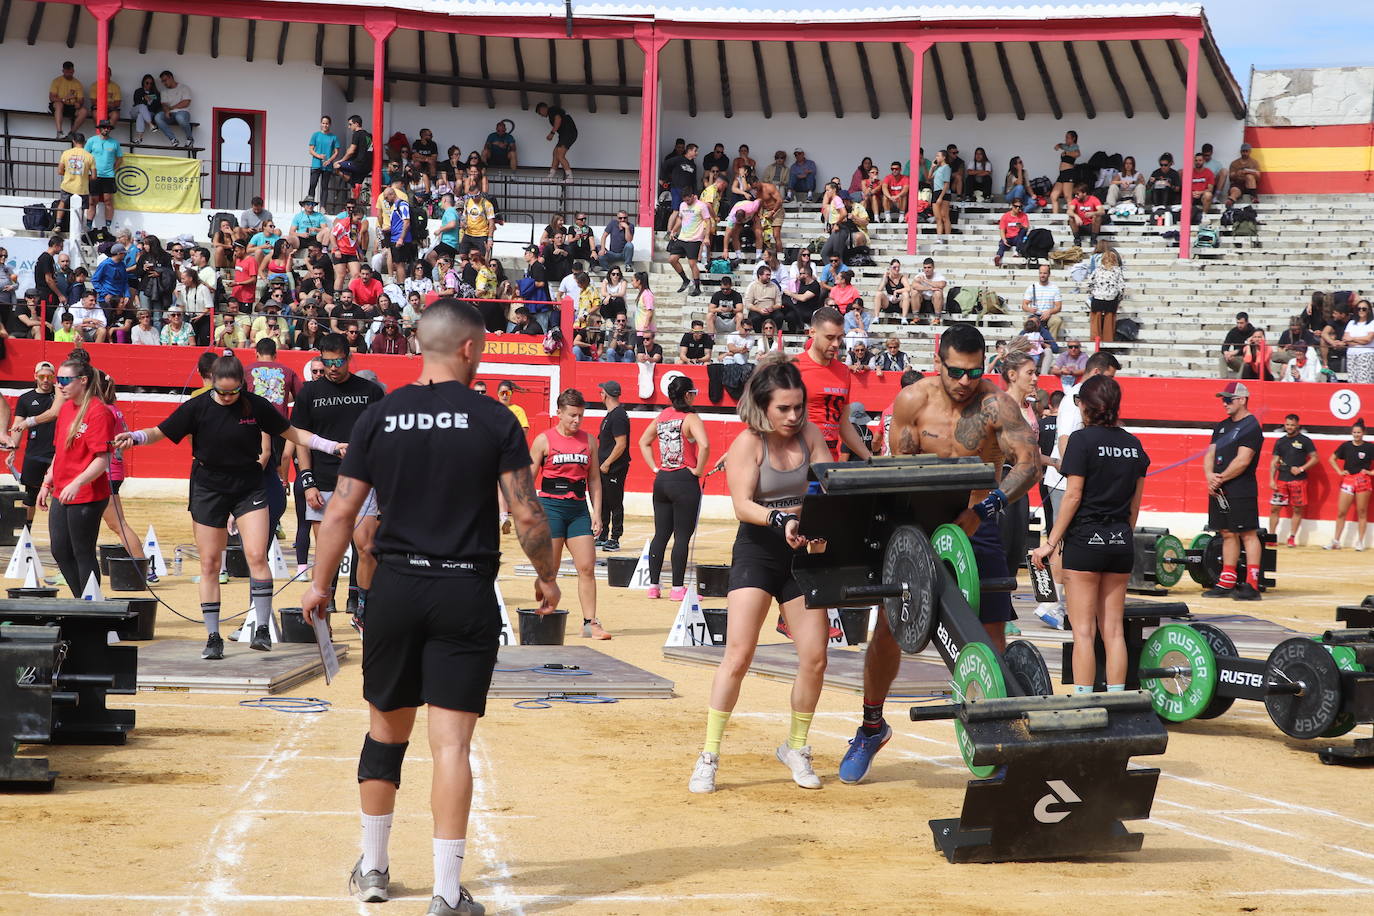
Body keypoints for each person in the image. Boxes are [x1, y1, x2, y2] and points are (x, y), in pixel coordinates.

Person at [298, 299, 561, 915]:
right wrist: (547, 577)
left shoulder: (379, 416)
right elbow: (526, 512)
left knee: (384, 735)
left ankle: (376, 869)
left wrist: (319, 584)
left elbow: (339, 511)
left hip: (394, 589)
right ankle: (445, 893)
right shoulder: (495, 419)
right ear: (469, 349)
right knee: (451, 748)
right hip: (464, 591)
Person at [838, 324, 1040, 784]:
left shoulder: (996, 404)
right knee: (889, 628)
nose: (964, 381)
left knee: (989, 633)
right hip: (918, 523)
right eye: (955, 371)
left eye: (972, 371)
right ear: (938, 359)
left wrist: (985, 507)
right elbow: (899, 475)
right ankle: (872, 727)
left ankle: (996, 734)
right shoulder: (915, 400)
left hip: (977, 521)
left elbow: (1028, 463)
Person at [118, 356, 334, 657]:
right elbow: (161, 431)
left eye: (233, 393)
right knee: (209, 563)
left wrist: (330, 445)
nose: (227, 398)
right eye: (222, 392)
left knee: (257, 555)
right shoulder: (198, 406)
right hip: (209, 488)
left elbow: (293, 433)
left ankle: (261, 627)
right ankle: (212, 636)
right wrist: (135, 437)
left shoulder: (255, 405)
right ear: (212, 384)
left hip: (248, 485)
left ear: (242, 387)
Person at [689, 357, 835, 794]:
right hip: (759, 551)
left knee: (815, 656)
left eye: (798, 408)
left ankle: (796, 747)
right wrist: (783, 522)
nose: (793, 417)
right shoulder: (748, 444)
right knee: (738, 654)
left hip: (802, 553)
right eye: (783, 409)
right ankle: (709, 755)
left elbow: (831, 487)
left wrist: (824, 529)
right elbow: (743, 505)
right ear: (763, 408)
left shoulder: (810, 436)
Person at [1030, 375, 1148, 694]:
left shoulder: (1082, 441)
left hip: (1085, 542)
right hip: (1121, 543)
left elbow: (1073, 495)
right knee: (1113, 631)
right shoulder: (1134, 445)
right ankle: (1117, 699)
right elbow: (1134, 508)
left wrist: (1050, 544)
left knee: (1083, 632)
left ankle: (1082, 702)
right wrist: (1121, 534)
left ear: (1087, 407)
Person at [292, 334, 384, 620]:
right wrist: (307, 482)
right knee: (326, 556)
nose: (333, 368)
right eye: (327, 362)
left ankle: (364, 610)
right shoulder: (309, 393)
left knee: (368, 548)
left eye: (338, 362)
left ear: (349, 357)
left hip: (362, 482)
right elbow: (300, 440)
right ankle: (324, 621)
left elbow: (383, 438)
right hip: (323, 483)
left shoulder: (371, 391)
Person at [529, 390, 611, 640]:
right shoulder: (543, 440)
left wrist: (597, 512)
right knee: (550, 571)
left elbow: (594, 479)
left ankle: (590, 623)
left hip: (577, 511)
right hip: (550, 509)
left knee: (586, 566)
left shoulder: (589, 441)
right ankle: (543, 601)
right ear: (560, 413)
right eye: (572, 415)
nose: (577, 420)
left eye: (581, 416)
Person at [37, 358, 112, 597]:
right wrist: (47, 482)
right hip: (62, 490)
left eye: (65, 380)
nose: (59, 385)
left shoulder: (98, 411)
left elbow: (103, 459)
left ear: (83, 381)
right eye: (59, 379)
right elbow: (60, 451)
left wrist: (78, 481)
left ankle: (91, 604)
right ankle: (83, 600)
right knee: (59, 550)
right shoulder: (67, 408)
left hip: (87, 494)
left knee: (83, 551)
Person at [638, 376, 710, 600]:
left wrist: (654, 467)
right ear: (687, 395)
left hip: (662, 480)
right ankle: (677, 588)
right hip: (684, 480)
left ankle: (654, 586)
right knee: (681, 537)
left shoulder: (662, 417)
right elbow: (705, 445)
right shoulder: (690, 418)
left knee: (661, 534)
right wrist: (698, 470)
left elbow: (643, 441)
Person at [1201, 381, 1264, 600]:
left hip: (1240, 487)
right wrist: (1210, 476)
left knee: (1247, 533)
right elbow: (1210, 453)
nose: (1224, 403)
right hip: (1220, 488)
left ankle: (1252, 584)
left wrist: (1219, 479)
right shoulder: (1221, 426)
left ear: (1242, 399)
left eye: (1228, 399)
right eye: (1223, 399)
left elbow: (1243, 460)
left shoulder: (1251, 426)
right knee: (1226, 532)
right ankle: (1227, 581)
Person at [794, 307, 871, 461]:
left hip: (829, 457)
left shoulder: (843, 371)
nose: (836, 344)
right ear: (812, 333)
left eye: (839, 337)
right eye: (829, 337)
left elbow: (843, 423)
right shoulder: (793, 367)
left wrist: (869, 458)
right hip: (798, 458)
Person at [11, 361, 57, 524]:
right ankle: (26, 533)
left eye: (49, 376)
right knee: (30, 494)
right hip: (35, 453)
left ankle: (62, 535)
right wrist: (13, 449)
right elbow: (18, 425)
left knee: (60, 495)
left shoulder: (61, 397)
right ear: (35, 376)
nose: (45, 380)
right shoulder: (26, 399)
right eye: (42, 376)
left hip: (57, 454)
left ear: (54, 377)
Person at [1267, 413, 1318, 547]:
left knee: (1297, 509)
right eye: (1287, 424)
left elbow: (1315, 458)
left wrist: (1301, 468)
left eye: (1292, 425)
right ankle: (1271, 537)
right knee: (1274, 508)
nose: (1289, 427)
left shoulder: (1305, 440)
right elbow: (1274, 462)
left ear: (1298, 425)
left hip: (1298, 480)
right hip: (1281, 480)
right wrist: (1271, 479)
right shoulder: (1280, 441)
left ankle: (1292, 537)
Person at [1326, 420, 1372, 551]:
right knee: (1341, 512)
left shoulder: (1370, 447)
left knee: (1362, 512)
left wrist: (1370, 472)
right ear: (1352, 433)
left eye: (1359, 432)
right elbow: (1331, 458)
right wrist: (1339, 471)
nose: (1356, 435)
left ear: (1363, 433)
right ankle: (1336, 541)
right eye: (1354, 432)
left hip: (1363, 480)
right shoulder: (1346, 446)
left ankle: (1360, 542)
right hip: (1348, 480)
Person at [595, 381, 629, 553]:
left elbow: (621, 444)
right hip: (606, 466)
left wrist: (607, 463)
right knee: (605, 501)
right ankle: (603, 534)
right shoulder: (612, 414)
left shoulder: (618, 415)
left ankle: (614, 538)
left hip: (614, 467)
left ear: (605, 394)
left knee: (615, 501)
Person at [84, 119, 122, 232]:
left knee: (108, 200)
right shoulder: (91, 140)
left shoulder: (115, 142)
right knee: (92, 201)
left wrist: (113, 169)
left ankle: (108, 226)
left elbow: (120, 158)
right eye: (104, 127)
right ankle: (89, 224)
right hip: (94, 175)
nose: (106, 129)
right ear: (100, 128)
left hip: (109, 176)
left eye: (108, 127)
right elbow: (85, 156)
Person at [56, 132, 95, 233]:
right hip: (82, 188)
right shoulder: (90, 156)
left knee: (62, 203)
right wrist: (85, 177)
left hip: (67, 185)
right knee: (81, 209)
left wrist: (69, 174)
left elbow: (60, 171)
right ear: (84, 142)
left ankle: (58, 224)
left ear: (73, 141)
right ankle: (79, 228)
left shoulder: (66, 153)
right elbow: (94, 176)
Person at [1086, 247, 1125, 344]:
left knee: (1096, 321)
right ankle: (1108, 342)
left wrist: (1092, 294)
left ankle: (1095, 341)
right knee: (1109, 321)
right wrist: (1119, 299)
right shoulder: (1117, 271)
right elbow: (1121, 287)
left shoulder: (1097, 270)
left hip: (1098, 298)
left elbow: (1090, 283)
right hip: (1111, 299)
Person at [1022, 263, 1064, 347]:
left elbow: (1058, 307)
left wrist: (1049, 312)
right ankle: (1031, 345)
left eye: (1045, 273)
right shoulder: (1032, 287)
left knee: (1057, 320)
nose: (1042, 275)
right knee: (1030, 322)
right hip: (1035, 315)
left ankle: (1051, 344)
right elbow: (1024, 305)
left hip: (1048, 315)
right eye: (1041, 273)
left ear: (1049, 274)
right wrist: (1030, 309)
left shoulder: (1054, 288)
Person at [535, 100, 577, 178]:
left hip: (568, 133)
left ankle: (569, 177)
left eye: (539, 113)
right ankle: (550, 176)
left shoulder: (552, 110)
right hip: (564, 134)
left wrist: (552, 133)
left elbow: (558, 119)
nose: (541, 115)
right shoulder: (552, 112)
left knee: (560, 155)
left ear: (542, 109)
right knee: (555, 153)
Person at [154, 70, 194, 147]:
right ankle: (173, 139)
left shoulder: (184, 87)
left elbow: (186, 103)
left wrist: (171, 108)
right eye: (162, 81)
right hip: (170, 115)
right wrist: (166, 111)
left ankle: (190, 138)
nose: (164, 83)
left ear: (171, 77)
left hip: (183, 113)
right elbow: (164, 104)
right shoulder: (164, 92)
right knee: (158, 117)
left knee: (179, 117)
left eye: (165, 80)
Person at [49, 61, 89, 137]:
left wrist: (79, 103)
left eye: (70, 72)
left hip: (71, 107)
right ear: (63, 71)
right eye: (66, 72)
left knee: (84, 111)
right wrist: (64, 99)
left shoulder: (77, 83)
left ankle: (71, 133)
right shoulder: (57, 81)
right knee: (59, 104)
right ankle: (59, 132)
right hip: (59, 106)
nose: (68, 74)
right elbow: (52, 98)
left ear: (73, 71)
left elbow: (81, 99)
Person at [307, 116, 341, 201]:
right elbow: (311, 150)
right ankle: (310, 204)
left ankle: (323, 207)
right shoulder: (316, 135)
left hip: (327, 165)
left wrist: (329, 160)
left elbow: (336, 152)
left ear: (330, 125)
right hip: (316, 164)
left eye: (327, 123)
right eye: (323, 123)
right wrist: (319, 156)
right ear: (320, 124)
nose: (325, 125)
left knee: (324, 187)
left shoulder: (334, 137)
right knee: (312, 184)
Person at [1049, 130, 1081, 214]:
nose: (1066, 139)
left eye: (1068, 137)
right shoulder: (1066, 148)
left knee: (1068, 196)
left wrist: (1066, 151)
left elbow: (1077, 154)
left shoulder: (1074, 147)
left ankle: (1071, 217)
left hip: (1069, 173)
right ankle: (1055, 219)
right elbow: (1059, 146)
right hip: (1062, 174)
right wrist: (1060, 146)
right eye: (1066, 137)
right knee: (1053, 196)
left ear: (1073, 138)